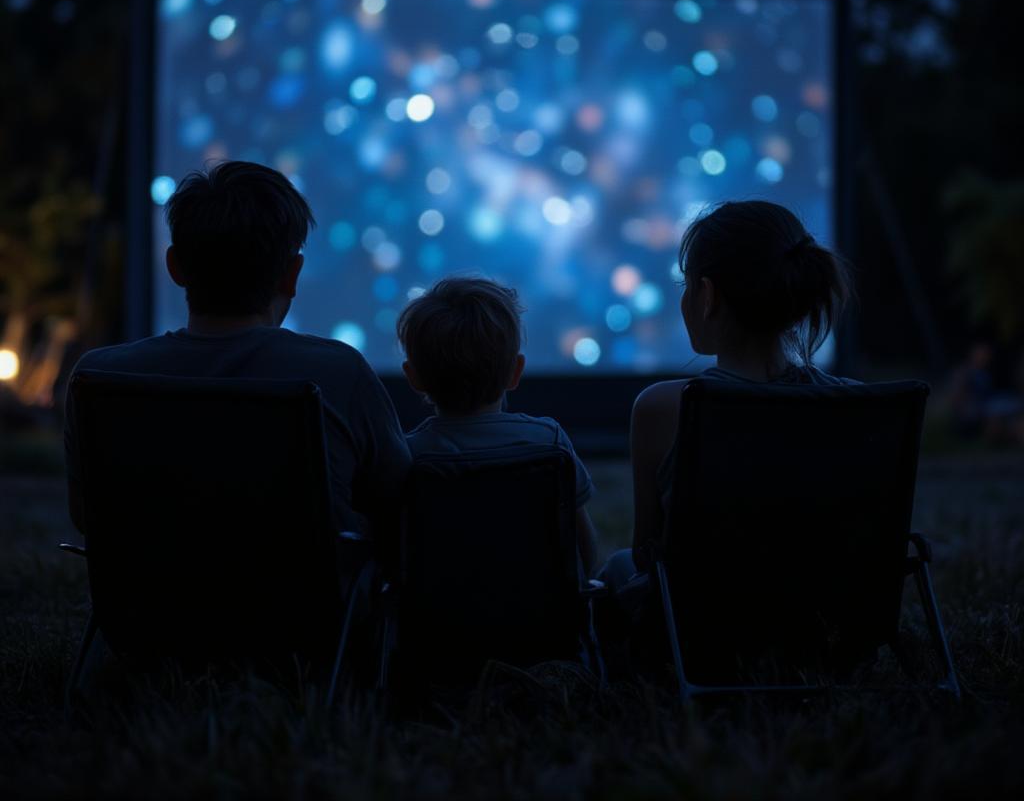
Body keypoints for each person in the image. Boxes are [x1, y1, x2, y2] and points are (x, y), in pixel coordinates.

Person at [64, 160, 410, 542]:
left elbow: (88, 517)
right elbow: (399, 504)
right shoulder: (339, 373)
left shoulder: (99, 377)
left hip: (150, 603)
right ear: (291, 275)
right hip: (300, 603)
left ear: (174, 266)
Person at [601, 200, 856, 612]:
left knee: (616, 569)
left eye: (686, 284)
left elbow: (649, 553)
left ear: (707, 295)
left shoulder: (665, 408)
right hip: (825, 625)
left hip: (703, 632)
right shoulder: (852, 404)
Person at [396, 276, 599, 577]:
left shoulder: (408, 456)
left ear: (413, 377)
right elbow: (585, 548)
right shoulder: (549, 441)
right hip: (542, 621)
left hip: (439, 623)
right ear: (515, 372)